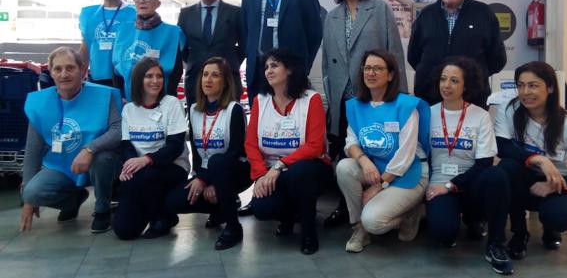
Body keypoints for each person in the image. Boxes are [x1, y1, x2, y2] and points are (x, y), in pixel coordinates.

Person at [322, 0, 407, 227]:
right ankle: (346, 206)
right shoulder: (332, 15)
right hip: (344, 98)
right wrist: (332, 96)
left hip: (375, 95)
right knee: (347, 154)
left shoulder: (379, 9)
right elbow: (326, 61)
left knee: (379, 148)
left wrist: (399, 97)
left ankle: (382, 200)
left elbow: (394, 53)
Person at [146, 57, 251, 250]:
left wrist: (208, 180)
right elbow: (196, 151)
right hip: (205, 173)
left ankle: (233, 227)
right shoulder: (194, 110)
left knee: (219, 161)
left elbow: (236, 151)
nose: (208, 79)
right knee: (173, 201)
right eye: (205, 74)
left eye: (215, 75)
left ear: (225, 81)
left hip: (234, 170)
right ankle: (220, 208)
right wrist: (200, 178)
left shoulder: (234, 109)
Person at [495, 61, 567, 261]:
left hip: (562, 182)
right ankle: (519, 233)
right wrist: (537, 158)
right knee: (505, 169)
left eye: (533, 85)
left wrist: (553, 186)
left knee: (558, 216)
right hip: (527, 177)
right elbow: (502, 147)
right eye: (520, 85)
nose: (525, 92)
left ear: (549, 87)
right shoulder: (510, 110)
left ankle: (551, 228)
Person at [425, 56, 513, 275]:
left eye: (454, 80)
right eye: (443, 79)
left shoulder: (480, 116)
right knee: (443, 234)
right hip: (438, 185)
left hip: (472, 184)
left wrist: (450, 185)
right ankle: (459, 220)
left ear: (467, 85)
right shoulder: (428, 113)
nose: (447, 85)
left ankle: (495, 243)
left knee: (497, 175)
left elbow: (484, 164)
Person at [337, 50, 430, 253]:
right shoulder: (356, 106)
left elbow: (406, 155)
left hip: (409, 173)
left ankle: (410, 212)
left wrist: (379, 185)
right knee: (344, 167)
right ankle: (359, 227)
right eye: (367, 68)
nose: (371, 73)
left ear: (390, 75)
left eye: (378, 68)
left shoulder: (405, 105)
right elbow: (350, 142)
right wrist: (364, 160)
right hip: (377, 167)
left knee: (374, 222)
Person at [20, 47, 122, 233]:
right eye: (58, 69)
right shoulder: (40, 103)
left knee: (104, 158)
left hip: (97, 164)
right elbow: (33, 150)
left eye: (70, 68)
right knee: (32, 191)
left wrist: (90, 149)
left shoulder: (104, 96)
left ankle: (102, 210)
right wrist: (29, 199)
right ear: (50, 72)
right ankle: (72, 200)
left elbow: (118, 130)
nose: (64, 74)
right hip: (61, 167)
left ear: (82, 69)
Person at [245, 48, 332, 254]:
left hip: (310, 169)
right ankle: (290, 216)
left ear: (290, 69)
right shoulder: (260, 101)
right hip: (273, 173)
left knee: (298, 174)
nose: (268, 71)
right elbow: (250, 144)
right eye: (266, 67)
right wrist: (260, 175)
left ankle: (309, 232)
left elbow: (315, 146)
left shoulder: (311, 99)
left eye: (274, 65)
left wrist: (279, 166)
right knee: (261, 208)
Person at [407, 0, 506, 107]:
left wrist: (475, 76)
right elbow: (414, 57)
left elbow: (497, 59)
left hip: (472, 101)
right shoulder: (425, 15)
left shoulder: (483, 14)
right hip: (430, 101)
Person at [112, 57, 190, 240]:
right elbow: (126, 145)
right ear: (139, 79)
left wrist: (145, 160)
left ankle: (162, 217)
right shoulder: (129, 109)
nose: (155, 81)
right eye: (149, 76)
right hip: (140, 171)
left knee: (140, 178)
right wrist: (129, 165)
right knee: (124, 231)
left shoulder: (172, 103)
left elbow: (175, 146)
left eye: (159, 76)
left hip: (172, 167)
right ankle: (159, 215)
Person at [241, 0, 322, 102]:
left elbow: (315, 34)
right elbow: (244, 32)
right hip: (258, 71)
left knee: (291, 122)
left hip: (290, 73)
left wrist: (302, 66)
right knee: (260, 123)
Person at [178, 0, 244, 106]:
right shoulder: (185, 14)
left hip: (227, 80)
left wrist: (229, 64)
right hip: (196, 80)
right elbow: (182, 48)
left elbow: (244, 45)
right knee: (197, 125)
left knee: (229, 123)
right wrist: (194, 61)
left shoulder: (235, 13)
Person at [112, 0, 185, 101]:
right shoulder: (122, 30)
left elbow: (176, 71)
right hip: (128, 100)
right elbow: (116, 69)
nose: (142, 1)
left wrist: (167, 100)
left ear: (158, 3)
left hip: (161, 99)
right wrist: (120, 97)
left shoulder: (172, 32)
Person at [78, 0, 136, 86]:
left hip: (128, 78)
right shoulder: (88, 14)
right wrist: (78, 78)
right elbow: (85, 48)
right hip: (98, 78)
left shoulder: (136, 13)